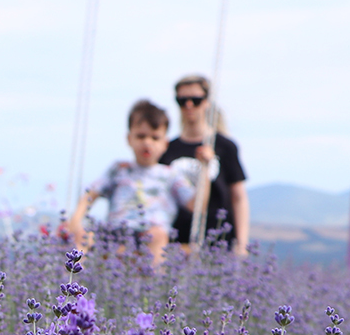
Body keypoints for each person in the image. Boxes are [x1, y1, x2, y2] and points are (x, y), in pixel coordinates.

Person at [65, 99, 193, 266]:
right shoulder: (119, 169)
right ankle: (76, 287)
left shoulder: (170, 174)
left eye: (155, 138)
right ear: (129, 138)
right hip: (115, 233)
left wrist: (205, 169)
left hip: (151, 234)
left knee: (158, 236)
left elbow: (195, 204)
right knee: (82, 240)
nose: (147, 142)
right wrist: (75, 222)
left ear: (165, 144)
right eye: (141, 136)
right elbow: (92, 193)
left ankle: (153, 285)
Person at [162, 74, 249, 256]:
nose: (189, 105)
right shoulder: (167, 149)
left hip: (219, 242)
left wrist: (242, 244)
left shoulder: (225, 146)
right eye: (182, 100)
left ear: (207, 102)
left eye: (196, 100)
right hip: (177, 243)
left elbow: (238, 197)